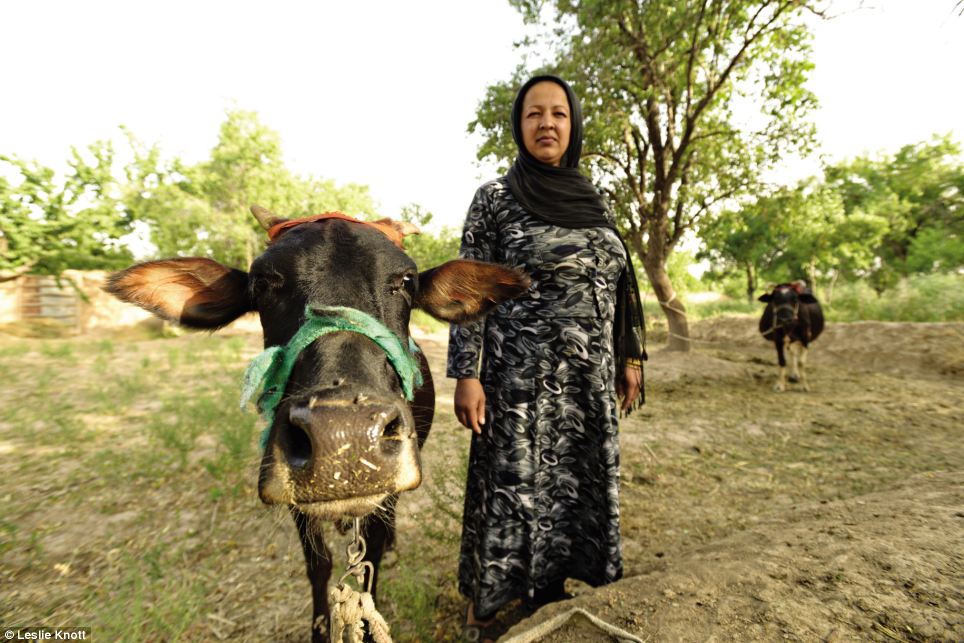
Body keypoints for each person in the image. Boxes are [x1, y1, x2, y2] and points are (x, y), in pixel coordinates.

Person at [447, 74, 647, 640]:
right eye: (534, 114)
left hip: (587, 378)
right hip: (518, 381)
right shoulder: (495, 199)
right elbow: (471, 290)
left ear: (573, 123)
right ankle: (488, 605)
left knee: (572, 484)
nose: (547, 124)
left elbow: (621, 284)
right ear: (519, 126)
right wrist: (467, 372)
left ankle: (555, 583)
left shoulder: (592, 196)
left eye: (558, 114)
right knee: (514, 487)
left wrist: (629, 358)